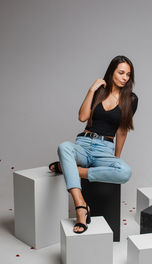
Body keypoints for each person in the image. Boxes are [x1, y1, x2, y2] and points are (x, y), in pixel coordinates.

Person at [49, 55, 138, 234]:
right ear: (112, 71)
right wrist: (91, 89)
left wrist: (115, 158)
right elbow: (82, 117)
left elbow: (122, 131)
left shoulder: (131, 99)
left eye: (128, 74)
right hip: (83, 144)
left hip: (105, 149)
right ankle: (81, 206)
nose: (125, 78)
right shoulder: (99, 91)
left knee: (125, 171)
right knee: (64, 146)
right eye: (121, 72)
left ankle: (67, 168)